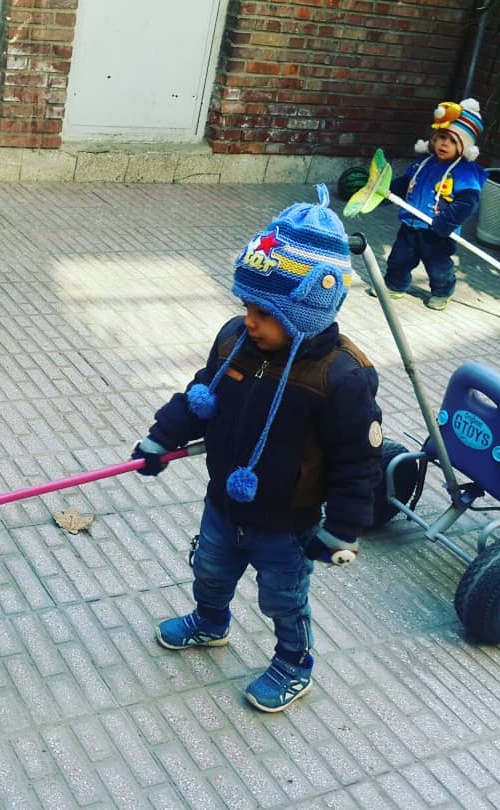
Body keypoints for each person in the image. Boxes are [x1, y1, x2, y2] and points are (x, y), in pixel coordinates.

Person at [132, 185, 383, 712]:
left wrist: (342, 527)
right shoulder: (235, 342)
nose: (250, 319)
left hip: (288, 524)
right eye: (247, 304)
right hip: (224, 504)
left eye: (265, 312)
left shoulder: (341, 377)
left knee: (282, 599)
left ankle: (294, 663)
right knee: (210, 570)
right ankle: (211, 622)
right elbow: (202, 394)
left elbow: (358, 462)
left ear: (309, 309)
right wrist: (161, 437)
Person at [379, 98, 489, 311]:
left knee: (438, 266)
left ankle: (442, 291)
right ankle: (395, 284)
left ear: (465, 147)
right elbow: (406, 183)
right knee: (399, 258)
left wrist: (447, 222)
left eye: (452, 141)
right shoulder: (423, 163)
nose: (444, 144)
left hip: (438, 230)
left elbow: (468, 202)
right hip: (411, 224)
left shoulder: (464, 173)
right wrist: (387, 192)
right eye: (441, 137)